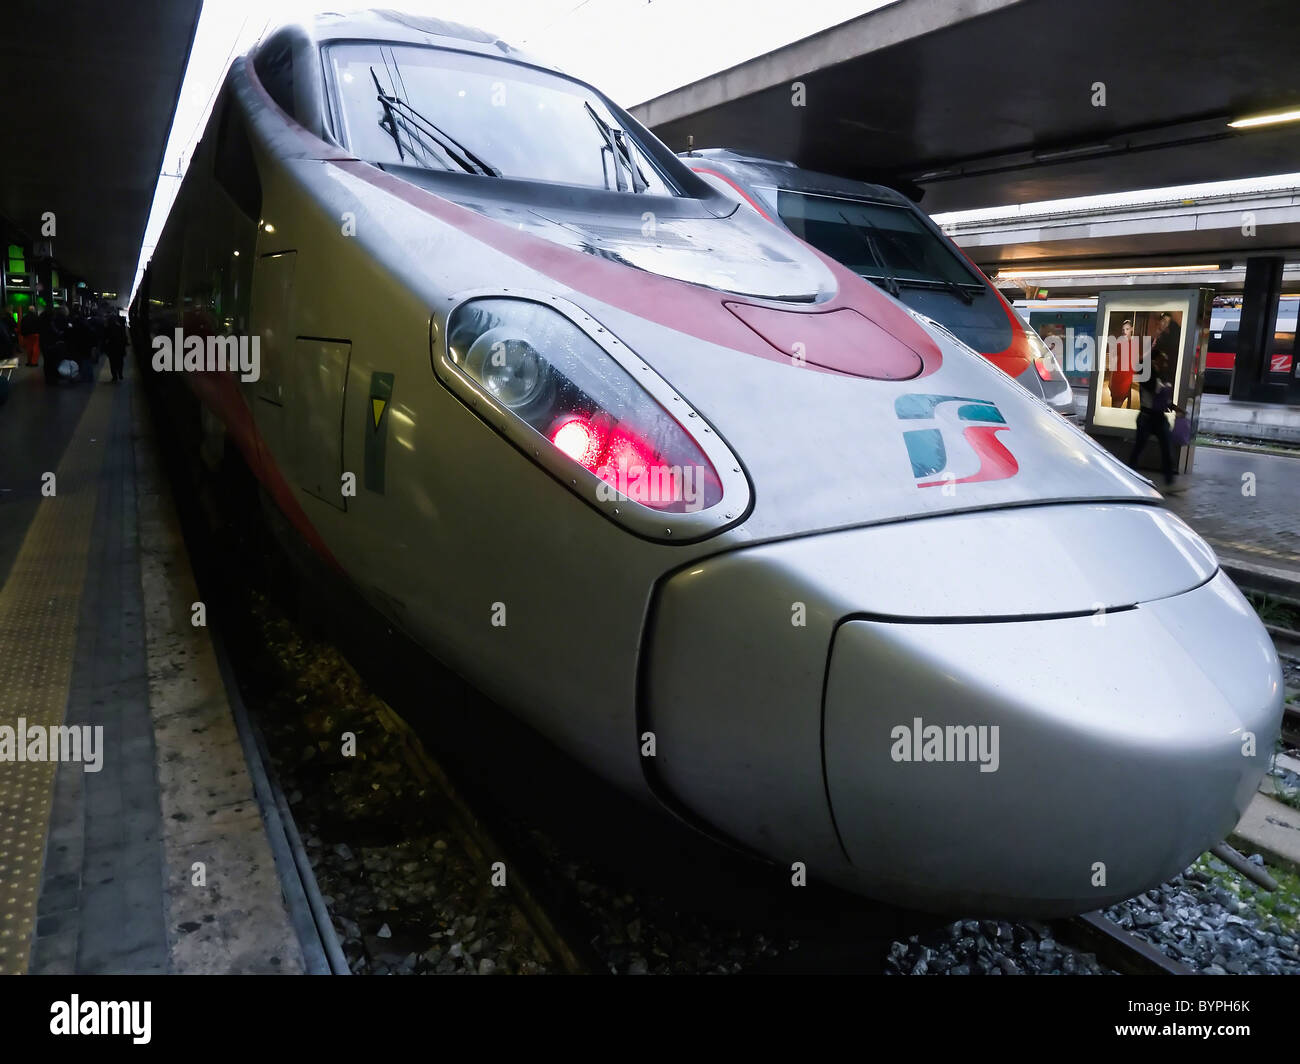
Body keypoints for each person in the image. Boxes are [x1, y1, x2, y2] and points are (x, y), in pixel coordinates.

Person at [1129, 348, 1185, 494]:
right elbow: (1156, 391)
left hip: (1158, 417)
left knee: (1166, 448)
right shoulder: (1147, 375)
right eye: (1162, 360)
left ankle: (1170, 482)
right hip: (1147, 417)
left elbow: (1164, 399)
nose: (1165, 363)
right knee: (1139, 448)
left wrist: (1175, 407)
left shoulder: (1158, 375)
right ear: (1154, 361)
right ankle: (1128, 476)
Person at [1109, 319, 1136, 408]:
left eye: (1127, 329)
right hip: (1118, 377)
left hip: (1127, 379)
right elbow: (1114, 362)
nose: (1124, 331)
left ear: (1131, 329)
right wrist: (1110, 380)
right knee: (1115, 405)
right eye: (1123, 329)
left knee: (1117, 405)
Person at [105, 312, 127, 381]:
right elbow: (124, 337)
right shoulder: (120, 327)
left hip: (111, 349)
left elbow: (105, 339)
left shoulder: (107, 328)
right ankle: (120, 373)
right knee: (120, 361)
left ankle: (114, 376)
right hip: (120, 348)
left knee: (112, 363)